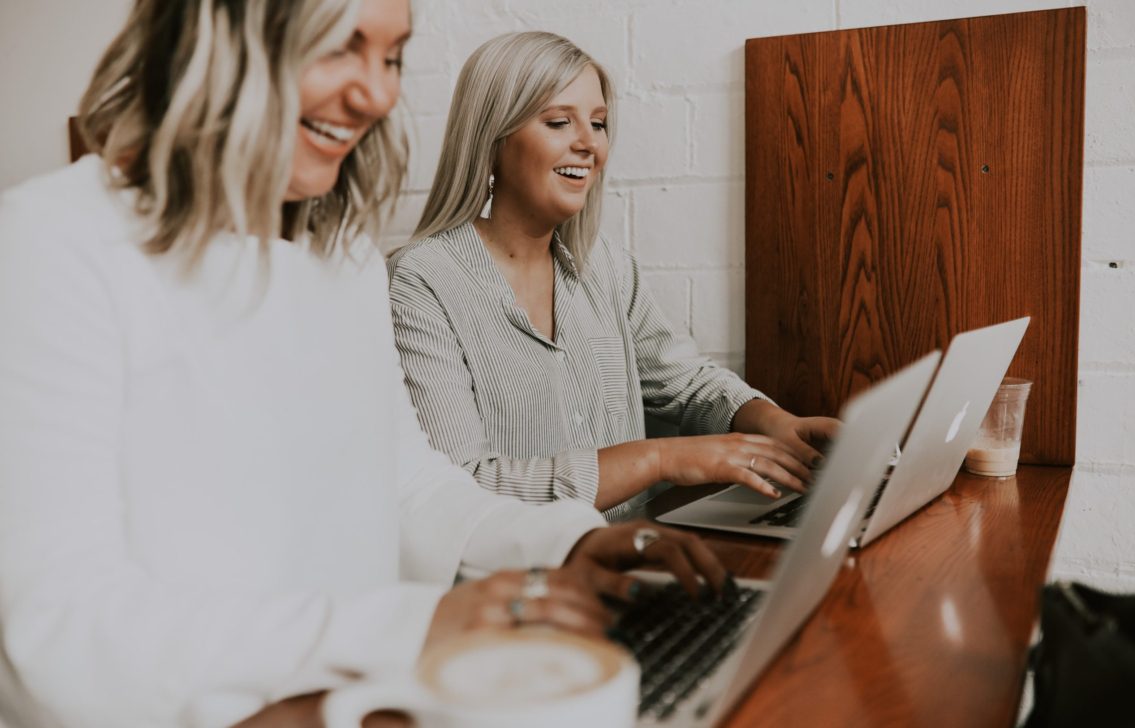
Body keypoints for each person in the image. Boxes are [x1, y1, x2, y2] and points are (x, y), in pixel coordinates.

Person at [0, 4, 725, 727]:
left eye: (391, 57)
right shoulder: (53, 243)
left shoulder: (341, 257)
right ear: (218, 35)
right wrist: (408, 629)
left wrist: (566, 541)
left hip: (364, 702)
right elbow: (57, 632)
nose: (377, 95)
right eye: (340, 47)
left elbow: (408, 485)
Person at [388, 32, 839, 517]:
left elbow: (685, 383)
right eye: (560, 122)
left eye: (599, 124)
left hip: (635, 560)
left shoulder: (604, 268)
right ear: (492, 139)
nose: (589, 144)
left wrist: (772, 421)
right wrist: (660, 459)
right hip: (523, 582)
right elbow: (462, 489)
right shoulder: (420, 282)